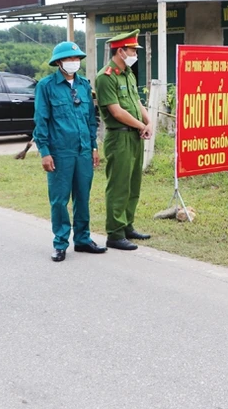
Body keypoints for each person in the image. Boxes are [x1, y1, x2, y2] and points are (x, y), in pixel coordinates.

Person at [34, 41, 106, 262]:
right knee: (59, 200)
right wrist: (45, 151)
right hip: (60, 152)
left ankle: (83, 239)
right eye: (69, 59)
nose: (74, 62)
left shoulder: (84, 85)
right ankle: (60, 243)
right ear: (58, 62)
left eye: (77, 59)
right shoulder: (46, 86)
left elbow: (91, 119)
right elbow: (41, 121)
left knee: (82, 197)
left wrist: (94, 147)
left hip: (84, 151)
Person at [94, 29, 153, 251]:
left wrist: (148, 123)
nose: (135, 54)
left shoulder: (128, 73)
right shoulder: (105, 77)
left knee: (133, 183)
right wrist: (141, 126)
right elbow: (117, 112)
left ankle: (127, 225)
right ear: (121, 51)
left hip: (135, 137)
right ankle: (115, 233)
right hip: (119, 137)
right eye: (132, 50)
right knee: (118, 185)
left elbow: (137, 102)